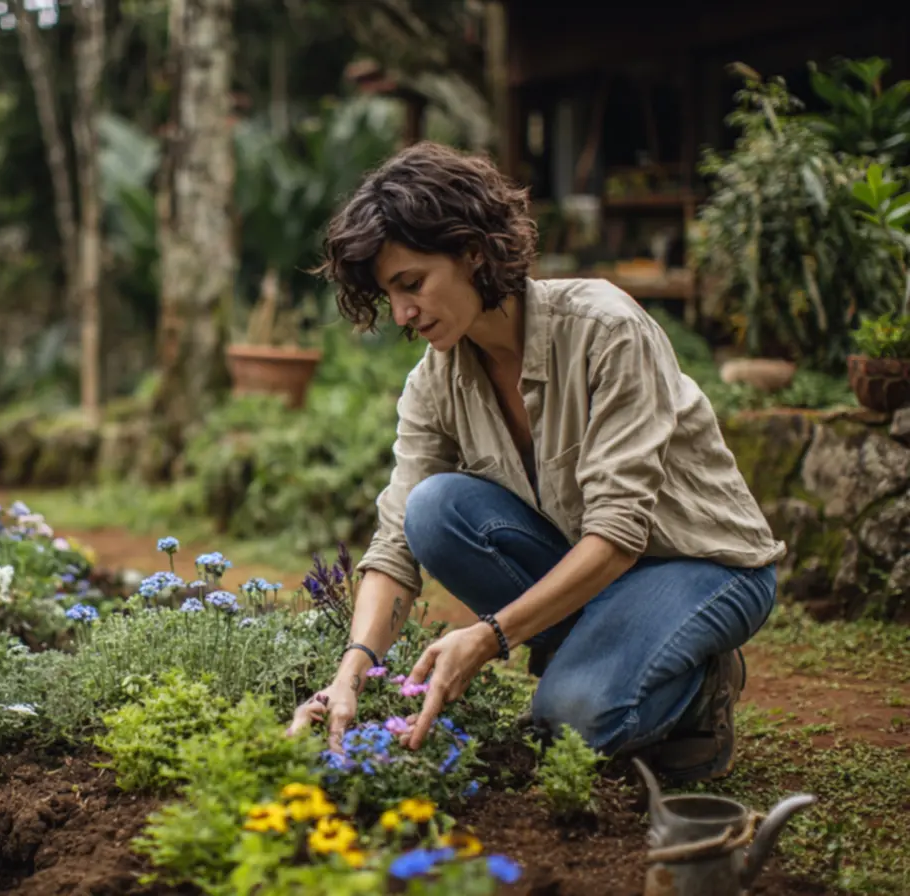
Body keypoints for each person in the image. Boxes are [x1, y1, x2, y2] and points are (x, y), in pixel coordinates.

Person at [286, 142, 783, 784]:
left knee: (568, 721)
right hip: (601, 574)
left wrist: (489, 636)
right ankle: (603, 650)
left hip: (701, 564)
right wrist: (348, 674)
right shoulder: (436, 381)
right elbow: (394, 548)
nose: (403, 313)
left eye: (412, 284)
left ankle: (703, 683)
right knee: (432, 510)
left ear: (472, 251)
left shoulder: (605, 330)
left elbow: (619, 533)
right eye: (390, 295)